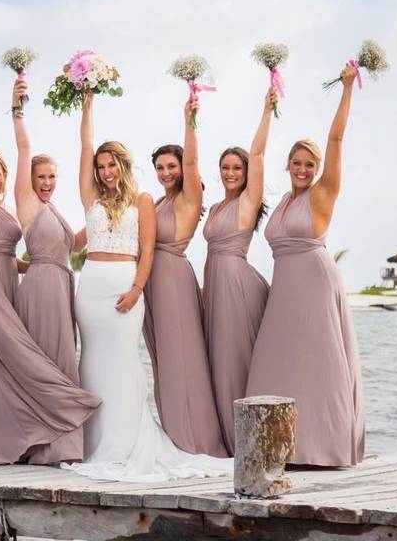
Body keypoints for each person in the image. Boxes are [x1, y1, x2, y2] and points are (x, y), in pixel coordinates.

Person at [65, 92, 231, 482]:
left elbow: (149, 250)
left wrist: (138, 288)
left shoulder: (142, 201)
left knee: (124, 363)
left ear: (124, 166)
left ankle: (125, 443)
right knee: (91, 362)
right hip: (89, 289)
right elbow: (85, 144)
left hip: (126, 286)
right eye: (101, 166)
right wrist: (87, 101)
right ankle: (94, 443)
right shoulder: (90, 198)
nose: (106, 172)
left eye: (112, 165)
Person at [0, 79, 100, 463]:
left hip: (10, 284)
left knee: (14, 359)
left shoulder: (13, 213)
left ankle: (31, 434)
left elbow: (19, 254)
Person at [245, 64, 365, 466]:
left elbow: (336, 138)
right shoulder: (282, 202)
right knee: (273, 360)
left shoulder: (322, 195)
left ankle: (323, 449)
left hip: (314, 282)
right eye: (297, 163)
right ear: (288, 165)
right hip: (285, 290)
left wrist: (347, 88)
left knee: (319, 363)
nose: (303, 169)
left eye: (309, 165)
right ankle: (277, 445)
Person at [7, 75, 88, 463]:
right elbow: (24, 148)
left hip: (61, 287)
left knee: (61, 360)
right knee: (43, 364)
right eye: (41, 176)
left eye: (52, 177)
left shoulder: (54, 210)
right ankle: (40, 444)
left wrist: (116, 219)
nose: (47, 182)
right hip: (40, 288)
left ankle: (62, 443)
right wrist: (18, 108)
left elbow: (75, 243)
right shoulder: (27, 202)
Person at [142, 94, 226, 457]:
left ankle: (195, 440)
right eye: (160, 168)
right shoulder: (160, 202)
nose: (166, 173)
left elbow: (192, 159)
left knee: (182, 360)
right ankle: (176, 431)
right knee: (165, 361)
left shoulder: (189, 196)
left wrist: (189, 120)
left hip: (173, 280)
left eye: (170, 166)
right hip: (153, 283)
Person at [201, 87, 274, 454]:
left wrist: (267, 109)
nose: (231, 173)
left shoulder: (248, 202)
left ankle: (245, 442)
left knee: (234, 359)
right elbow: (207, 253)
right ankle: (228, 437)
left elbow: (258, 153)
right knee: (217, 359)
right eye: (226, 168)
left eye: (237, 168)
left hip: (236, 283)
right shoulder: (214, 207)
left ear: (246, 173)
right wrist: (202, 288)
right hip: (214, 284)